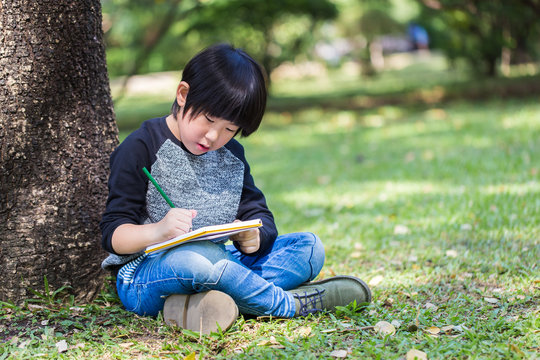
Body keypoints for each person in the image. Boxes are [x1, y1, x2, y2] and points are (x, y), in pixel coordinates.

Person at [100, 43, 371, 334]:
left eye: (230, 129)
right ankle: (288, 305)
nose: (214, 135)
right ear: (183, 95)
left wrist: (253, 235)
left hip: (220, 263)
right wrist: (159, 230)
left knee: (308, 247)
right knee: (199, 259)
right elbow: (113, 233)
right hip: (146, 275)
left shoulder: (231, 155)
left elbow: (258, 213)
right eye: (209, 119)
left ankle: (198, 306)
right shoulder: (141, 147)